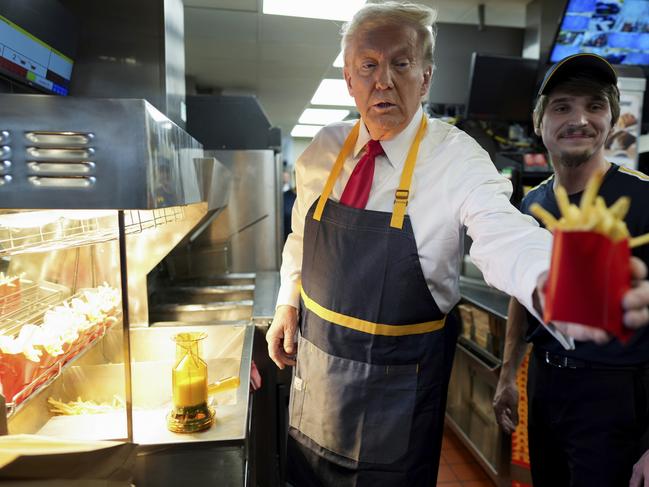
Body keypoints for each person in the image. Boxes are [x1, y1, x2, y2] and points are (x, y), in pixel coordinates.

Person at [267, 2, 649, 484]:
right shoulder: (322, 150)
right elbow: (302, 234)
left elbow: (504, 234)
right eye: (368, 65)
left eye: (401, 64)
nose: (383, 80)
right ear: (348, 78)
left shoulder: (458, 159)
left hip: (396, 401)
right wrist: (287, 301)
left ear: (425, 78)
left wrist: (562, 281)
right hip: (316, 382)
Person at [493, 53, 649, 487]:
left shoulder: (642, 199)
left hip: (616, 395)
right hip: (546, 386)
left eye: (595, 106)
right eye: (562, 106)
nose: (579, 119)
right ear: (540, 121)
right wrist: (509, 374)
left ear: (612, 119)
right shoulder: (531, 204)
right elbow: (523, 293)